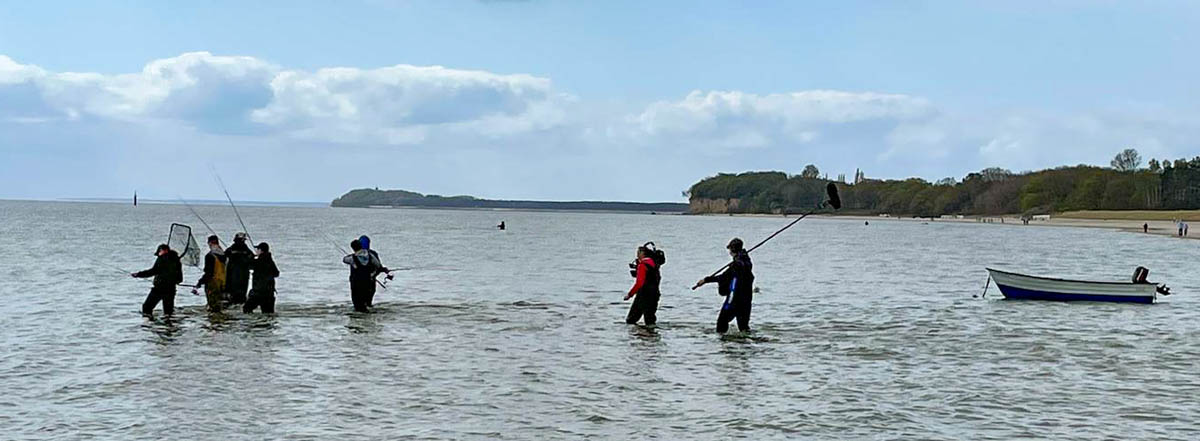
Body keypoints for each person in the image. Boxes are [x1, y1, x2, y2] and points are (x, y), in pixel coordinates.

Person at [693, 238, 755, 334]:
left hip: (734, 299)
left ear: (732, 250)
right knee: (743, 327)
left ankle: (722, 342)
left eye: (730, 250)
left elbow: (723, 277)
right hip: (746, 300)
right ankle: (746, 345)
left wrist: (706, 280)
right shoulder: (747, 262)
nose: (729, 252)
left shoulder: (737, 265)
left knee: (722, 322)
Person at [132, 244, 183, 316]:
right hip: (171, 289)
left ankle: (149, 324)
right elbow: (180, 278)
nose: (159, 254)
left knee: (147, 307)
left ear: (164, 250)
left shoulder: (162, 259)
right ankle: (169, 325)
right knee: (168, 312)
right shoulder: (176, 259)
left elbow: (153, 271)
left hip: (159, 289)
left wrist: (138, 274)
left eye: (159, 252)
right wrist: (175, 281)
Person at [343, 239, 390, 312]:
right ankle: (367, 317)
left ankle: (359, 319)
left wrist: (352, 255)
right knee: (366, 303)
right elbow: (378, 265)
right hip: (368, 282)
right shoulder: (371, 255)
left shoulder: (352, 258)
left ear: (353, 248)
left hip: (356, 284)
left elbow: (345, 260)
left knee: (358, 304)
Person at [624, 243, 664, 326]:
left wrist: (629, 294)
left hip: (644, 295)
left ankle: (638, 337)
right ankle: (652, 336)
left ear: (642, 254)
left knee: (631, 320)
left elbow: (639, 283)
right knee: (650, 320)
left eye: (638, 253)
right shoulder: (654, 264)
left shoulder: (642, 265)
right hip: (655, 294)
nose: (637, 255)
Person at [193, 235, 227, 313]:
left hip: (213, 283)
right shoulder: (224, 255)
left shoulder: (210, 256)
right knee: (219, 305)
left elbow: (209, 273)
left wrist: (200, 283)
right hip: (222, 283)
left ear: (210, 243)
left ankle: (215, 323)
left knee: (213, 307)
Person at [244, 242, 279, 314]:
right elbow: (276, 273)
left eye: (257, 249)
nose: (256, 250)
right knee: (268, 313)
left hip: (258, 292)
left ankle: (254, 322)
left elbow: (248, 265)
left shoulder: (258, 261)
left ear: (261, 250)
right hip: (269, 292)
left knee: (247, 309)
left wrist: (251, 257)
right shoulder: (270, 261)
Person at [224, 232, 253, 305]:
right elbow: (252, 261)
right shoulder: (247, 251)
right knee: (240, 294)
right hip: (242, 276)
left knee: (234, 294)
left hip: (234, 276)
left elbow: (223, 258)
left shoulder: (230, 250)